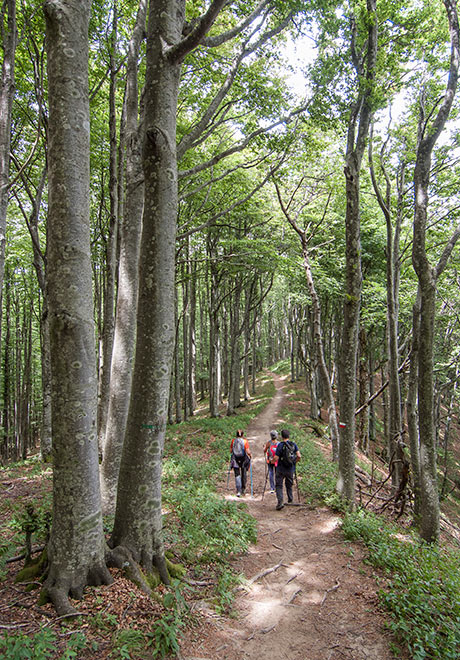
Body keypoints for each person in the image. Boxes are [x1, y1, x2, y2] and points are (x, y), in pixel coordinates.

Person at [274, 429, 301, 510]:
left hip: (280, 469)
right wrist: (294, 462)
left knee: (279, 485)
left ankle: (280, 502)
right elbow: (299, 456)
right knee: (289, 484)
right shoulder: (293, 444)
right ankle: (290, 499)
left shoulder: (280, 445)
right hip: (290, 468)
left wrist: (272, 461)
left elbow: (276, 457)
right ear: (288, 436)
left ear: (282, 436)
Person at [230, 429, 251, 497]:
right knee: (243, 473)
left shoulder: (233, 441)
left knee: (237, 474)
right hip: (243, 459)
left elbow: (231, 451)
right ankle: (243, 489)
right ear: (242, 435)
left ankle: (238, 490)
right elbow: (247, 451)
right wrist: (250, 455)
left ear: (236, 435)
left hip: (235, 459)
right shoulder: (245, 441)